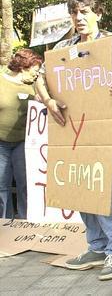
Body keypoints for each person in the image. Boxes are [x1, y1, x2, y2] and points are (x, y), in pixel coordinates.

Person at [35, 0, 112, 280]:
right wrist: (49, 100)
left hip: (100, 127)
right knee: (77, 186)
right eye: (74, 12)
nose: (79, 18)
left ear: (98, 13)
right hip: (68, 128)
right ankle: (96, 246)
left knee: (102, 188)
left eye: (85, 12)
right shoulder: (62, 46)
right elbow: (39, 79)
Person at [0, 49, 42, 219]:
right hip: (1, 143)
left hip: (23, 143)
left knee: (25, 183)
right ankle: (4, 223)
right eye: (35, 70)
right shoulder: (1, 81)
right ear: (24, 67)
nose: (37, 74)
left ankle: (26, 222)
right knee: (2, 185)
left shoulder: (33, 86)